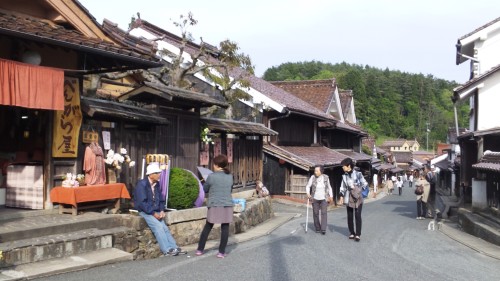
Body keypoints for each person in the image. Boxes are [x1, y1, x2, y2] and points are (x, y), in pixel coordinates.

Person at [134, 162, 181, 256]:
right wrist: (153, 213)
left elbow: (161, 199)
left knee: (164, 227)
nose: (160, 175)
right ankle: (167, 250)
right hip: (145, 211)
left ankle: (174, 247)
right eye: (157, 173)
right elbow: (142, 203)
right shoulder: (142, 185)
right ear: (151, 174)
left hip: (155, 210)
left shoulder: (157, 184)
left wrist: (162, 210)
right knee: (158, 227)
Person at [196, 154, 234, 258]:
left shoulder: (211, 176)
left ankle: (200, 249)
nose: (213, 166)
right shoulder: (230, 176)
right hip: (227, 204)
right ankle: (221, 252)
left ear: (217, 165)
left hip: (214, 204)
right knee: (225, 228)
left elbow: (205, 189)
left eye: (214, 164)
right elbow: (230, 189)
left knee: (208, 226)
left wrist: (205, 183)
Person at [338, 158, 367, 242]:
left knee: (357, 215)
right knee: (350, 216)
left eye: (343, 166)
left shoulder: (358, 174)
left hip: (358, 197)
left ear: (349, 166)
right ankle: (352, 232)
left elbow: (365, 184)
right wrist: (341, 196)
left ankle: (358, 234)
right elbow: (342, 187)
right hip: (348, 197)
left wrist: (357, 190)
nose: (342, 168)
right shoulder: (344, 176)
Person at [306, 165, 333, 235]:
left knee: (324, 213)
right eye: (315, 171)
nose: (315, 172)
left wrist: (331, 196)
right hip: (315, 198)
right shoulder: (312, 177)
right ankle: (317, 227)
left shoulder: (326, 177)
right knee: (315, 213)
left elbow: (329, 188)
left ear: (321, 171)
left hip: (324, 198)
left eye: (317, 171)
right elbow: (308, 186)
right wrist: (308, 193)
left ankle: (323, 229)